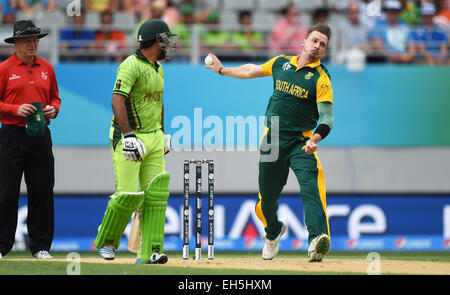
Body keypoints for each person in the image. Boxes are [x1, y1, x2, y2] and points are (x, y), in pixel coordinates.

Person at [205, 23, 334, 263]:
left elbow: (327, 119)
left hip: (302, 142)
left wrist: (315, 139)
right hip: (273, 139)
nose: (317, 46)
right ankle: (273, 231)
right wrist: (222, 70)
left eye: (322, 44)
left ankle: (316, 241)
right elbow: (250, 70)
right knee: (267, 200)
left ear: (324, 51)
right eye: (314, 41)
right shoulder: (280, 63)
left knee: (311, 188)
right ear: (303, 42)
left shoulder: (321, 79)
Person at [94, 19, 176, 264]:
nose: (169, 45)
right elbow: (117, 101)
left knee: (156, 195)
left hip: (153, 137)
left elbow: (158, 103)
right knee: (128, 194)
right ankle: (107, 242)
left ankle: (150, 250)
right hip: (129, 136)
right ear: (156, 41)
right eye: (166, 40)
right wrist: (128, 136)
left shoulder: (158, 68)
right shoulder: (130, 66)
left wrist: (162, 133)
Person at [0, 20, 61, 259]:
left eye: (35, 40)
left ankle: (41, 247)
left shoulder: (47, 68)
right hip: (11, 136)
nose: (33, 44)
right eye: (28, 40)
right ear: (16, 43)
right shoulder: (4, 69)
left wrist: (53, 110)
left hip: (40, 135)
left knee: (42, 191)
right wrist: (15, 110)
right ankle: (2, 246)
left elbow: (56, 99)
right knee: (6, 193)